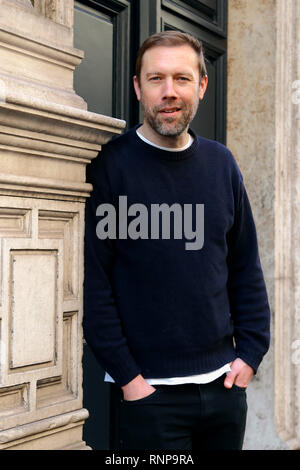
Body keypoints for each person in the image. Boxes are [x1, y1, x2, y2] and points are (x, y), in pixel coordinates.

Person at [83, 31, 270, 451]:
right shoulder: (110, 167)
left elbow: (245, 267)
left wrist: (252, 353)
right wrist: (132, 381)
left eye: (182, 79)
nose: (169, 92)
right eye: (156, 79)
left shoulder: (222, 164)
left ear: (202, 85)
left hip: (224, 389)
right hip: (148, 397)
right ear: (137, 87)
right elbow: (93, 286)